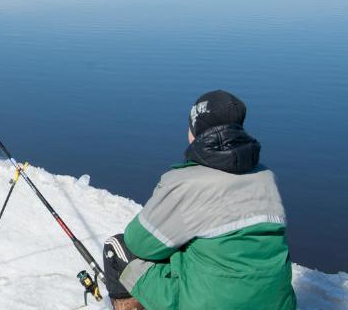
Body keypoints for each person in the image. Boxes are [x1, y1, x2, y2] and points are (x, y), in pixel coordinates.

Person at [103, 90, 296, 310]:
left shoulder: (184, 183)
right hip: (278, 305)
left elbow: (139, 243)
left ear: (194, 130)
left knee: (117, 250)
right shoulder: (265, 177)